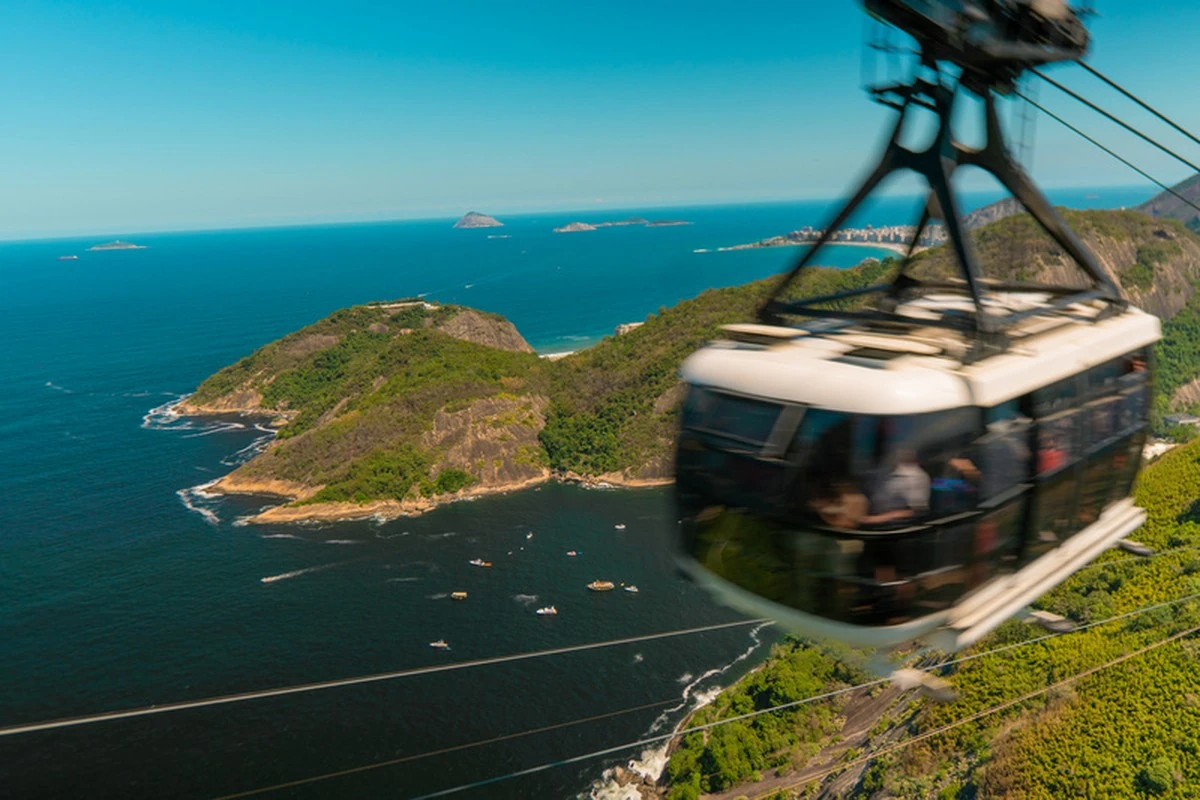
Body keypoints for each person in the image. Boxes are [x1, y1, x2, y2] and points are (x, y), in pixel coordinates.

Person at [863, 447, 931, 526]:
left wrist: (878, 519)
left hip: (898, 526)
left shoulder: (917, 477)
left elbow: (916, 511)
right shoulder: (884, 474)